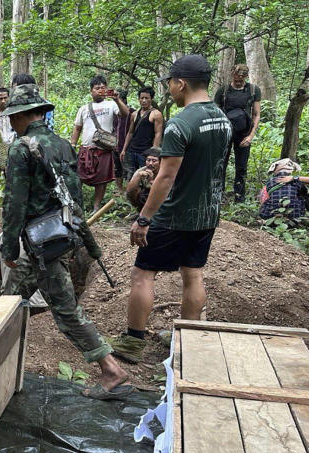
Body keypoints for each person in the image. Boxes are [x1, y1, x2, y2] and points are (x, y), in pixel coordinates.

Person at [0, 83, 131, 399]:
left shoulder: (20, 149)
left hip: (40, 243)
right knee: (9, 300)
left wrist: (8, 246)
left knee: (65, 310)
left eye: (13, 117)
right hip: (58, 236)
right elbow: (74, 198)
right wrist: (84, 237)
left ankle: (111, 369)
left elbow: (14, 203)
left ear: (20, 116)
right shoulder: (62, 144)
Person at [112, 55, 231, 363]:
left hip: (175, 213)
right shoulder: (222, 119)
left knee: (142, 274)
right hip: (207, 213)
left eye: (171, 85)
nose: (170, 92)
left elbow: (166, 176)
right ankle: (188, 344)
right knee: (192, 274)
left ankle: (132, 343)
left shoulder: (180, 123)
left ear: (181, 83)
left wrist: (144, 218)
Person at [71, 75, 130, 213]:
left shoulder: (111, 105)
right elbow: (77, 127)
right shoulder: (84, 108)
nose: (100, 90)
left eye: (103, 88)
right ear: (91, 91)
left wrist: (117, 99)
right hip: (86, 149)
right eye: (97, 88)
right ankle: (78, 204)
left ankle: (96, 207)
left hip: (103, 149)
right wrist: (72, 144)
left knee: (102, 180)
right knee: (78, 176)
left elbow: (126, 113)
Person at [214, 64, 262, 202]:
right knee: (220, 163)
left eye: (243, 76)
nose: (239, 78)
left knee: (241, 166)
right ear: (232, 74)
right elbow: (215, 112)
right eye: (237, 75)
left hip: (244, 132)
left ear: (246, 76)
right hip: (225, 132)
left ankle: (239, 196)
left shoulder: (253, 90)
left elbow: (256, 114)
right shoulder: (223, 91)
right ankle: (217, 194)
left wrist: (250, 136)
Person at [121, 86, 164, 173]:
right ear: (139, 99)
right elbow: (130, 133)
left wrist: (153, 153)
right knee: (131, 177)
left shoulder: (156, 114)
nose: (144, 100)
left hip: (145, 152)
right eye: (142, 98)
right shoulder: (134, 114)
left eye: (146, 98)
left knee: (145, 177)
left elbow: (158, 134)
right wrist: (124, 149)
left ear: (151, 99)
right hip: (132, 150)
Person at [125, 147, 161, 211]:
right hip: (146, 198)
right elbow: (129, 190)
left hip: (161, 198)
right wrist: (138, 176)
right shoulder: (141, 170)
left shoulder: (164, 172)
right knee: (133, 192)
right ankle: (140, 210)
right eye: (148, 160)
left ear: (160, 162)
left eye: (154, 161)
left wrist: (151, 181)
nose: (150, 163)